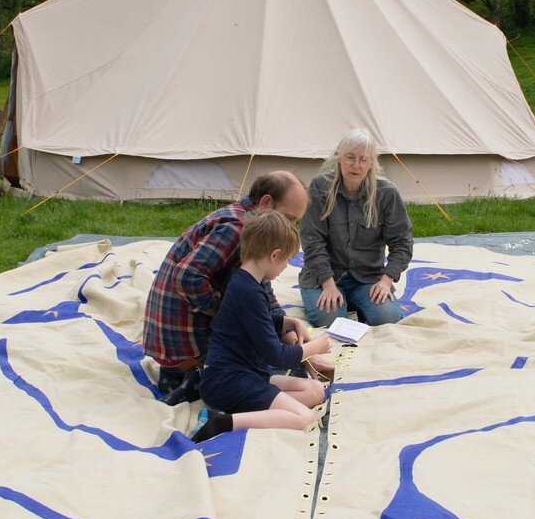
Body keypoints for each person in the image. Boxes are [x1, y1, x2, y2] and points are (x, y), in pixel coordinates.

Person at [141, 171, 320, 405]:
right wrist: (227, 311)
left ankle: (180, 371)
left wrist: (293, 341)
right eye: (289, 219)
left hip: (173, 341)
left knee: (280, 355)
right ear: (266, 203)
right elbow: (187, 278)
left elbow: (264, 294)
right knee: (270, 370)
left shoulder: (253, 227)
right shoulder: (237, 228)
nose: (291, 228)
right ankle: (191, 372)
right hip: (184, 340)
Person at [194, 211, 332, 442]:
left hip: (245, 374)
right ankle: (221, 422)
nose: (285, 267)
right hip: (228, 381)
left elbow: (256, 323)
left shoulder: (244, 281)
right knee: (306, 418)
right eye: (287, 260)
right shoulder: (249, 292)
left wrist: (289, 322)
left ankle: (258, 411)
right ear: (274, 255)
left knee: (316, 391)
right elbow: (277, 355)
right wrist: (315, 347)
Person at [299, 129, 414, 329]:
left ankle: (353, 300)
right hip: (325, 276)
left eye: (363, 160)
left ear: (372, 164)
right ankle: (338, 299)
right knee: (328, 320)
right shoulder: (320, 187)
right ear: (339, 158)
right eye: (350, 157)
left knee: (387, 318)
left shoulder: (386, 193)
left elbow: (402, 242)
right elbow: (312, 239)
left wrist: (386, 281)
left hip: (367, 277)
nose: (356, 165)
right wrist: (327, 284)